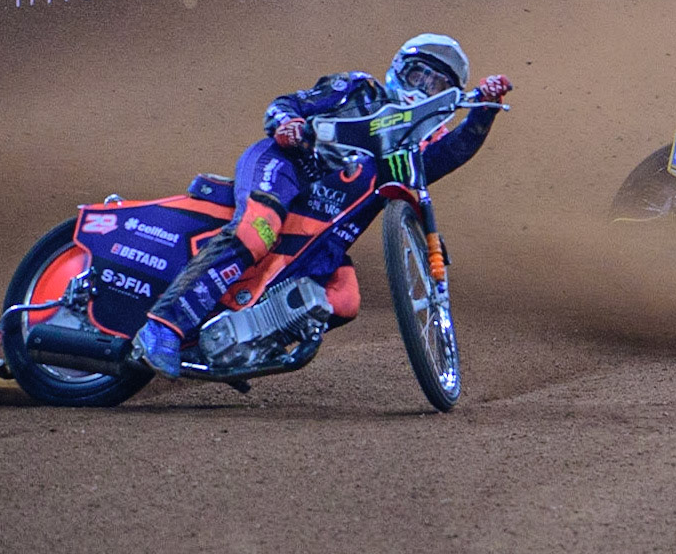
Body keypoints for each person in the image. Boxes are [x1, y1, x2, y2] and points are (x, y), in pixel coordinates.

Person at [129, 35, 514, 378]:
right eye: (418, 76)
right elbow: (287, 103)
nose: (423, 89)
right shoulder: (359, 90)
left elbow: (453, 153)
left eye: (437, 86)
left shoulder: (418, 146)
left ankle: (246, 345)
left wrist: (484, 110)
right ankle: (162, 326)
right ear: (399, 69)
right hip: (286, 169)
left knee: (345, 299)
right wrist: (288, 123)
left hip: (324, 233)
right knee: (256, 232)